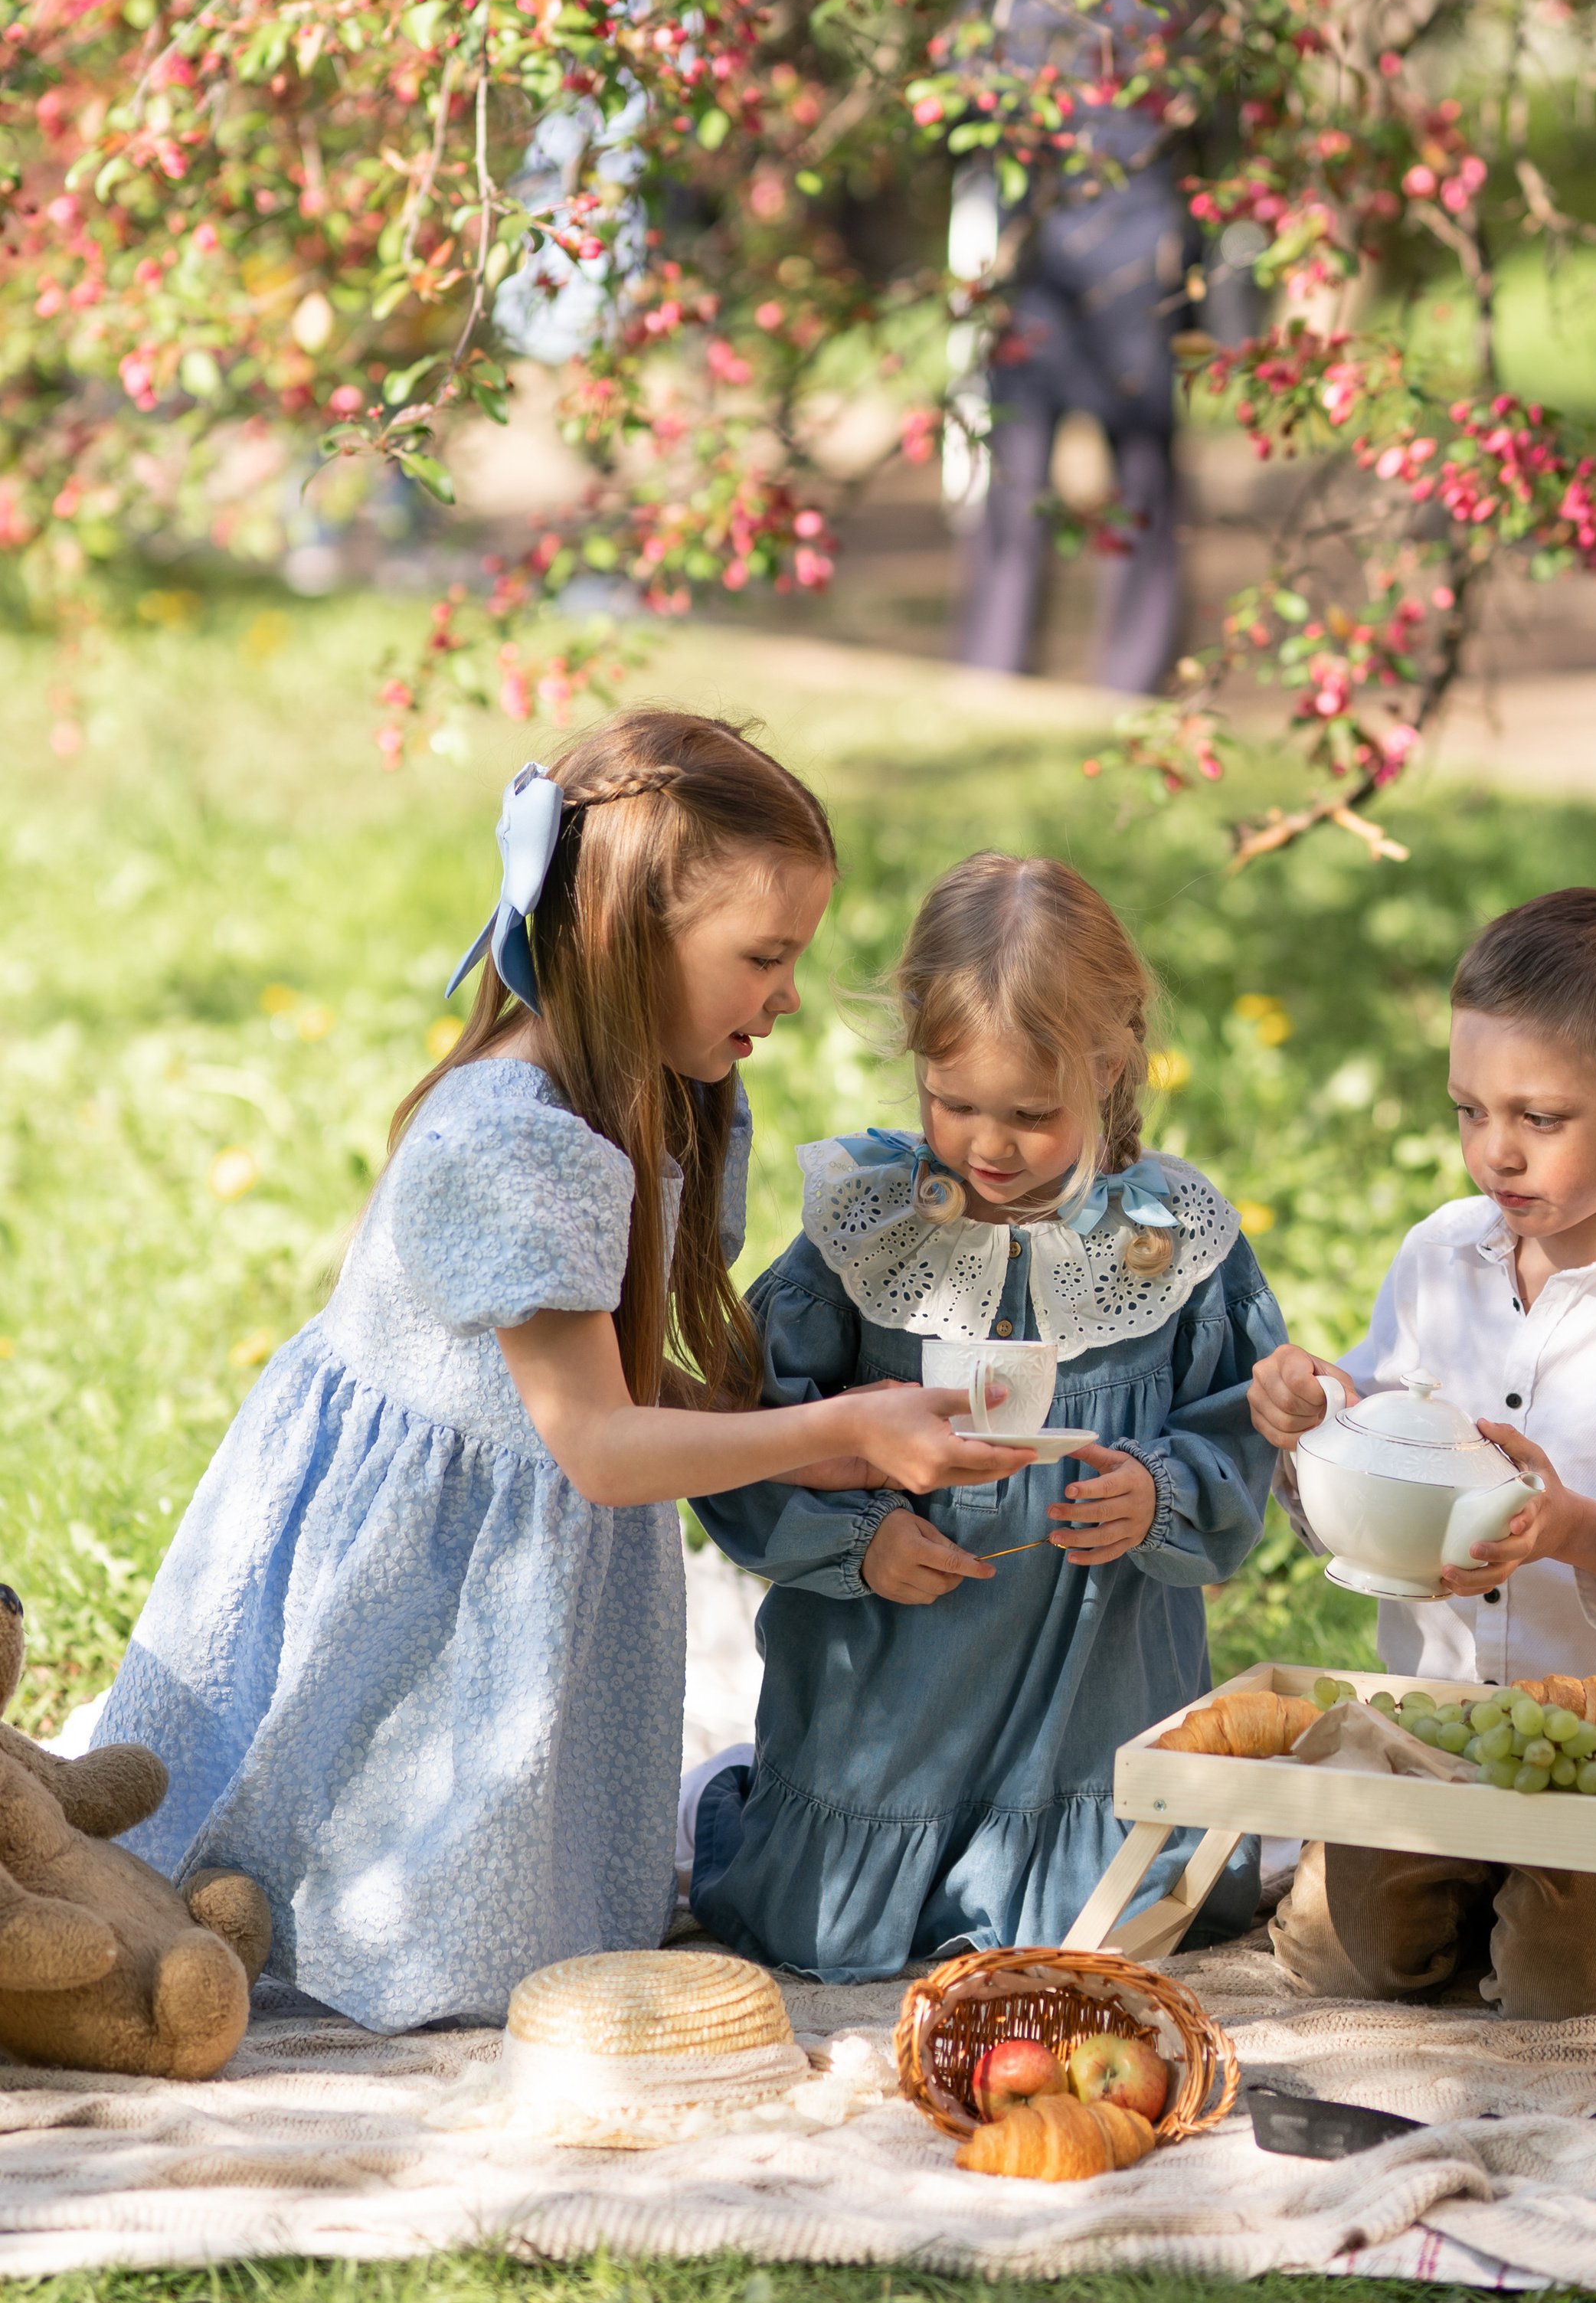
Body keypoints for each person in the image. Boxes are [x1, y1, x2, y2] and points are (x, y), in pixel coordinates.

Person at [90, 712, 1032, 2030]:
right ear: (628, 937)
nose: (789, 994)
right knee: (418, 1933)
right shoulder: (513, 1146)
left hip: (523, 1545)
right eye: (764, 957)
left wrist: (823, 1442)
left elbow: (632, 1394)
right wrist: (856, 1426)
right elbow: (596, 1442)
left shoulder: (659, 1096)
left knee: (563, 1933)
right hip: (421, 1571)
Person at [688, 853, 1284, 1978]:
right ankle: (764, 1807)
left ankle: (1050, 1845)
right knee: (818, 1932)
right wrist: (858, 1539)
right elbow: (748, 1436)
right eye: (952, 1103)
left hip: (1090, 1693)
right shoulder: (870, 1229)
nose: (987, 1144)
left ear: (1112, 1067)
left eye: (1029, 1114)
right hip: (894, 1686)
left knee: (1095, 1936)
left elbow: (1239, 1422)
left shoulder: (1170, 1240)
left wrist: (1161, 1491)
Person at [1250, 887, 1596, 2019]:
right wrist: (1315, 1429)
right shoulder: (1439, 1256)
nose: (1493, 1152)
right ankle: (1472, 1893)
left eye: (1540, 1119)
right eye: (1469, 1110)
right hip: (1437, 1733)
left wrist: (1580, 1532)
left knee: (1562, 1989)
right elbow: (1371, 1459)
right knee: (1340, 1962)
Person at [953, 0, 1195, 695]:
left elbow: (963, 110)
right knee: (1072, 472)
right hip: (1074, 261)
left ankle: (1010, 662)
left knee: (1063, 472)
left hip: (1094, 259)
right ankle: (1102, 669)